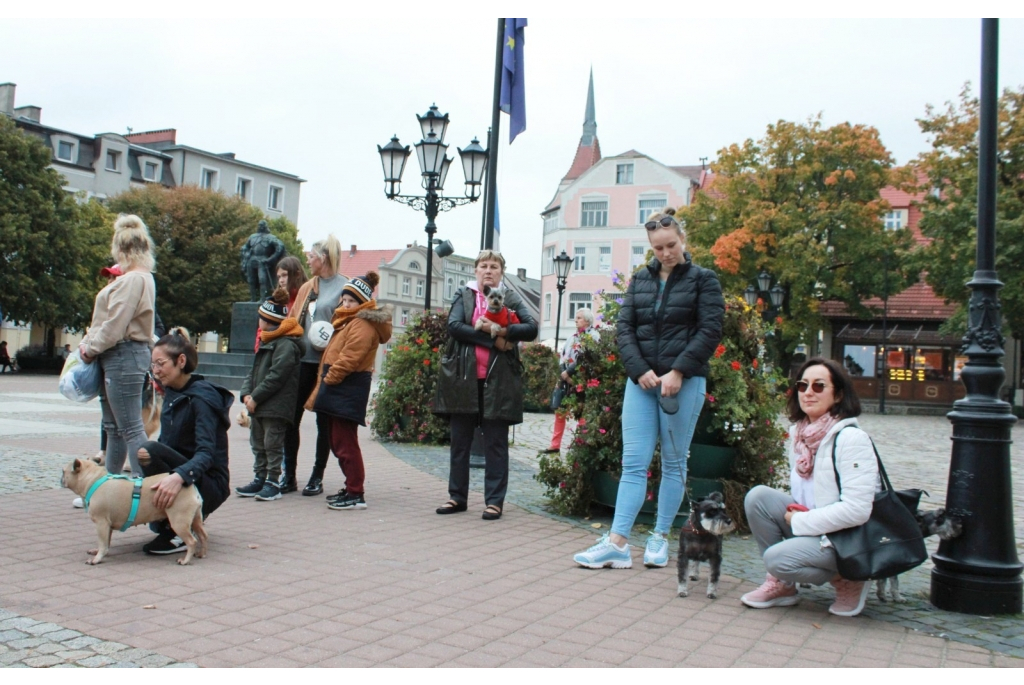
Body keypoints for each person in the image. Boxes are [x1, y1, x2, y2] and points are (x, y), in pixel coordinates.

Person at [573, 207, 724, 569]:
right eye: (658, 248)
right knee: (634, 463)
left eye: (671, 245)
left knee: (673, 463)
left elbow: (710, 330)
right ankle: (618, 542)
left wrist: (679, 371)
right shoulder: (640, 280)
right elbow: (624, 329)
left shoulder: (705, 280)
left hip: (682, 383)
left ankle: (659, 538)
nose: (666, 253)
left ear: (683, 240)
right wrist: (638, 369)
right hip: (641, 383)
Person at [740, 357, 880, 617]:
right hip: (814, 527)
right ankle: (782, 585)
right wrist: (801, 518)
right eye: (802, 386)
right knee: (758, 497)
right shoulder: (800, 434)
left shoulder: (852, 439)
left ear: (837, 395)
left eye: (818, 386)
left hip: (845, 540)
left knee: (777, 559)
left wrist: (801, 521)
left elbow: (858, 510)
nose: (808, 392)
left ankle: (849, 577)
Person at [432, 250, 538, 520]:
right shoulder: (464, 295)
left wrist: (502, 330)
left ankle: (494, 501)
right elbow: (455, 326)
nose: (488, 270)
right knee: (460, 443)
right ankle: (457, 497)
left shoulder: (510, 297)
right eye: (483, 266)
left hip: (499, 382)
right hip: (463, 380)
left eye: (494, 266)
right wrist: (493, 340)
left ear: (501, 272)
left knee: (495, 444)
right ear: (476, 270)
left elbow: (531, 328)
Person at [138, 328, 233, 555]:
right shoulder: (173, 392)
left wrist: (179, 476)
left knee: (151, 449)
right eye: (153, 365)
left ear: (181, 361)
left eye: (161, 364)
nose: (157, 371)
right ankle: (175, 521)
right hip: (191, 475)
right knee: (148, 451)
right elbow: (167, 444)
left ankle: (179, 531)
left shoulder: (202, 399)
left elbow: (206, 453)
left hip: (210, 484)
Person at [306, 272, 392, 510]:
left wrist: (330, 379)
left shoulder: (362, 324)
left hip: (346, 386)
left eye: (351, 301)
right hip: (342, 386)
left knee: (345, 442)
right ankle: (351, 487)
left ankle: (356, 492)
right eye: (344, 300)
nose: (346, 304)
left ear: (363, 302)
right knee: (338, 441)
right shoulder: (350, 321)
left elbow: (349, 358)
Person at [79, 215, 157, 478]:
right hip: (122, 355)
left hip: (122, 355)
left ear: (121, 249)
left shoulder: (132, 279)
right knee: (117, 427)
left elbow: (115, 324)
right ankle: (111, 487)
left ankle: (140, 490)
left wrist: (90, 349)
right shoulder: (139, 277)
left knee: (130, 427)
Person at [283, 236, 348, 496]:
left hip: (326, 363)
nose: (308, 260)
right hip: (302, 360)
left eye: (311, 256)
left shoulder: (344, 287)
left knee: (324, 422)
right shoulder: (309, 287)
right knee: (291, 419)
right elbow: (293, 320)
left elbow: (347, 326)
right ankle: (289, 475)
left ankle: (316, 476)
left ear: (324, 258)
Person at [236, 288, 305, 502]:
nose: (259, 321)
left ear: (268, 321)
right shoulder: (267, 341)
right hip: (261, 405)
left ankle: (273, 481)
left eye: (261, 318)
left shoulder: (286, 345)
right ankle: (260, 477)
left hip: (275, 406)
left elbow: (277, 376)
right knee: (258, 443)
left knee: (272, 444)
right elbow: (254, 372)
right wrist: (246, 393)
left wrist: (255, 397)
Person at [542, 308, 599, 454]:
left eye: (579, 318)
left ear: (587, 320)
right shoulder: (572, 337)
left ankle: (580, 445)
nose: (576, 321)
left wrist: (569, 373)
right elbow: (563, 356)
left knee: (582, 412)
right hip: (566, 378)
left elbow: (585, 357)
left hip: (582, 379)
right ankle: (555, 445)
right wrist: (563, 373)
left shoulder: (593, 336)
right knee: (560, 411)